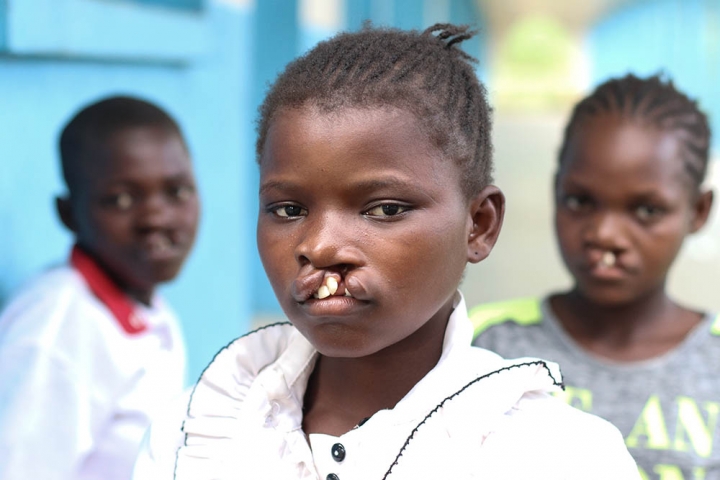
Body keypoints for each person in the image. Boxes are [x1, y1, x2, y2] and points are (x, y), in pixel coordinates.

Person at [134, 24, 639, 479]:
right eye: (288, 210)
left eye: (385, 209)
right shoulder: (201, 433)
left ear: (478, 225)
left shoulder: (556, 456)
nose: (320, 245)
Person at [471, 74, 718, 479]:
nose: (605, 234)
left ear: (698, 211)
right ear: (555, 191)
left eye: (646, 211)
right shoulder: (484, 341)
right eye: (580, 201)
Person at [0, 96, 200, 480]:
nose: (156, 217)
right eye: (121, 199)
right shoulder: (59, 328)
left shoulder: (145, 308)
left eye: (176, 191)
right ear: (69, 214)